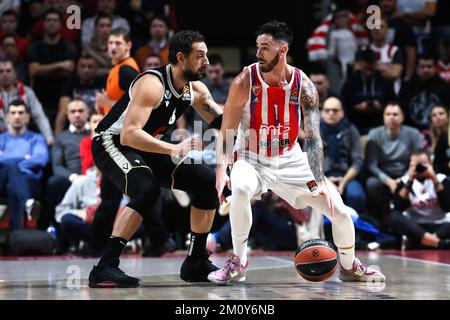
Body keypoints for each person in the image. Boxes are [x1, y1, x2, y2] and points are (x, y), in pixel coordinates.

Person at [209, 21, 385, 285]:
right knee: (241, 190)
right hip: (251, 157)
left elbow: (313, 138)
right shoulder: (245, 80)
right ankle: (239, 262)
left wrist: (320, 177)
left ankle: (349, 267)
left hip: (291, 158)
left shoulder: (305, 85)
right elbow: (227, 131)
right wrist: (222, 169)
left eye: (265, 48)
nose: (258, 53)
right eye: (257, 47)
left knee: (340, 212)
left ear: (283, 49)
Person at [88, 30, 224, 288]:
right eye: (200, 56)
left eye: (206, 56)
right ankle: (105, 267)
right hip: (111, 142)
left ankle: (195, 262)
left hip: (148, 146)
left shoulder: (195, 89)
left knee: (205, 181)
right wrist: (172, 149)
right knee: (146, 189)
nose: (206, 61)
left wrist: (255, 123)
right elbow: (129, 136)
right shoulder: (153, 84)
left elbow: (222, 121)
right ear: (181, 58)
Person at [365, 103, 424, 225]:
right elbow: (371, 165)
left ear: (402, 117)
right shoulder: (374, 134)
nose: (391, 117)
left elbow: (417, 160)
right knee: (371, 184)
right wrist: (389, 181)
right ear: (383, 117)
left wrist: (405, 179)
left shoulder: (414, 133)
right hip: (383, 175)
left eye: (395, 114)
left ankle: (412, 222)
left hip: (407, 174)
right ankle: (379, 222)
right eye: (388, 114)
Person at [0, 100, 48, 231]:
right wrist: (23, 159)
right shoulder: (1, 138)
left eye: (21, 113)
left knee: (13, 185)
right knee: (11, 170)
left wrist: (10, 163)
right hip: (1, 181)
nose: (17, 116)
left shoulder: (36, 138)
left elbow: (40, 160)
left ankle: (14, 235)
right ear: (7, 117)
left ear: (27, 117)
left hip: (29, 181)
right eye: (13, 113)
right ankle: (27, 203)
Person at [389, 149, 450, 249]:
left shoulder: (441, 179)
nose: (419, 168)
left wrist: (434, 179)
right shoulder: (405, 181)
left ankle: (427, 241)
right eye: (414, 165)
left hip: (440, 224)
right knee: (394, 216)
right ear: (409, 166)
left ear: (430, 164)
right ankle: (439, 244)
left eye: (423, 164)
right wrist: (410, 181)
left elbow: (447, 207)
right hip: (416, 227)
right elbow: (397, 207)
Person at [95, 28, 140, 115]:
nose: (113, 47)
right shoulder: (117, 68)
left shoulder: (127, 71)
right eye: (110, 43)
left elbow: (137, 106)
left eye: (118, 43)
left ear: (128, 45)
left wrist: (108, 103)